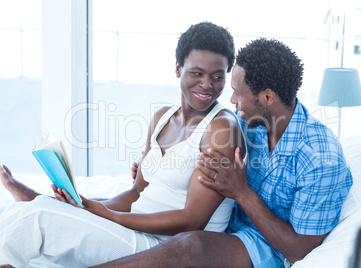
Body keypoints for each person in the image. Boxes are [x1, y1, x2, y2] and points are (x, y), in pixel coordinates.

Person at [0, 22, 246, 267]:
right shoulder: (162, 117)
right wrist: (88, 205)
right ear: (178, 68)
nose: (207, 85)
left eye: (217, 77)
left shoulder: (221, 128)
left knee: (36, 219)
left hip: (160, 247)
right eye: (197, 73)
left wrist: (111, 216)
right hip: (133, 230)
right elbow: (136, 193)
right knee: (25, 211)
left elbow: (192, 221)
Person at [94, 38, 353, 267]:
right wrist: (156, 167)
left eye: (239, 94)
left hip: (270, 247)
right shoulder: (248, 123)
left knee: (190, 245)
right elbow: (197, 149)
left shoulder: (321, 158)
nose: (232, 101)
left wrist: (242, 193)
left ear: (267, 98)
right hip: (227, 225)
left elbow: (300, 249)